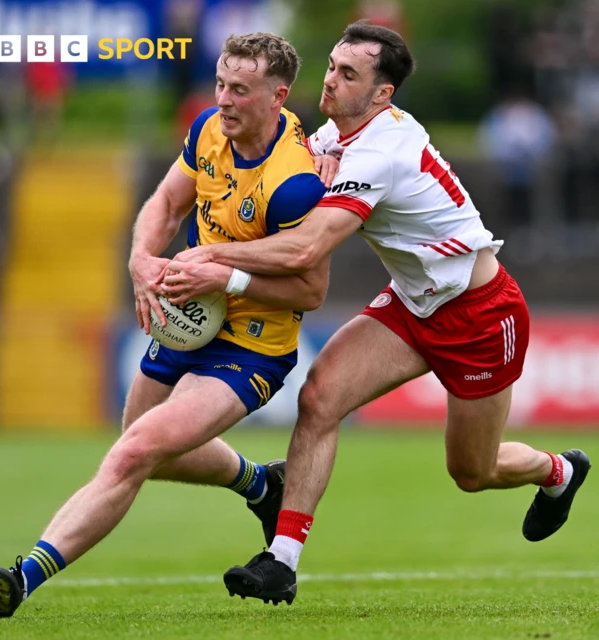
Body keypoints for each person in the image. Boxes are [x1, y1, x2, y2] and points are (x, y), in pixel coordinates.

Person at [163, 22, 591, 606]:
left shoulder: (379, 152)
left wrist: (207, 257)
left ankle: (558, 472)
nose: (331, 81)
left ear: (382, 94)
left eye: (349, 74)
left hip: (480, 314)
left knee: (472, 471)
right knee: (320, 397)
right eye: (332, 66)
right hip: (413, 303)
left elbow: (304, 249)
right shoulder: (328, 137)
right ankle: (281, 562)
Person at [0, 32, 339, 618]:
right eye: (221, 83)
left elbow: (312, 290)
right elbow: (167, 204)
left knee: (132, 452)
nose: (223, 98)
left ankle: (22, 578)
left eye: (239, 90)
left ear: (278, 97)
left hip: (249, 348)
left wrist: (222, 278)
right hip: (187, 321)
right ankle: (260, 485)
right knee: (144, 448)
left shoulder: (295, 181)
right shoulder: (207, 131)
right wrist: (141, 260)